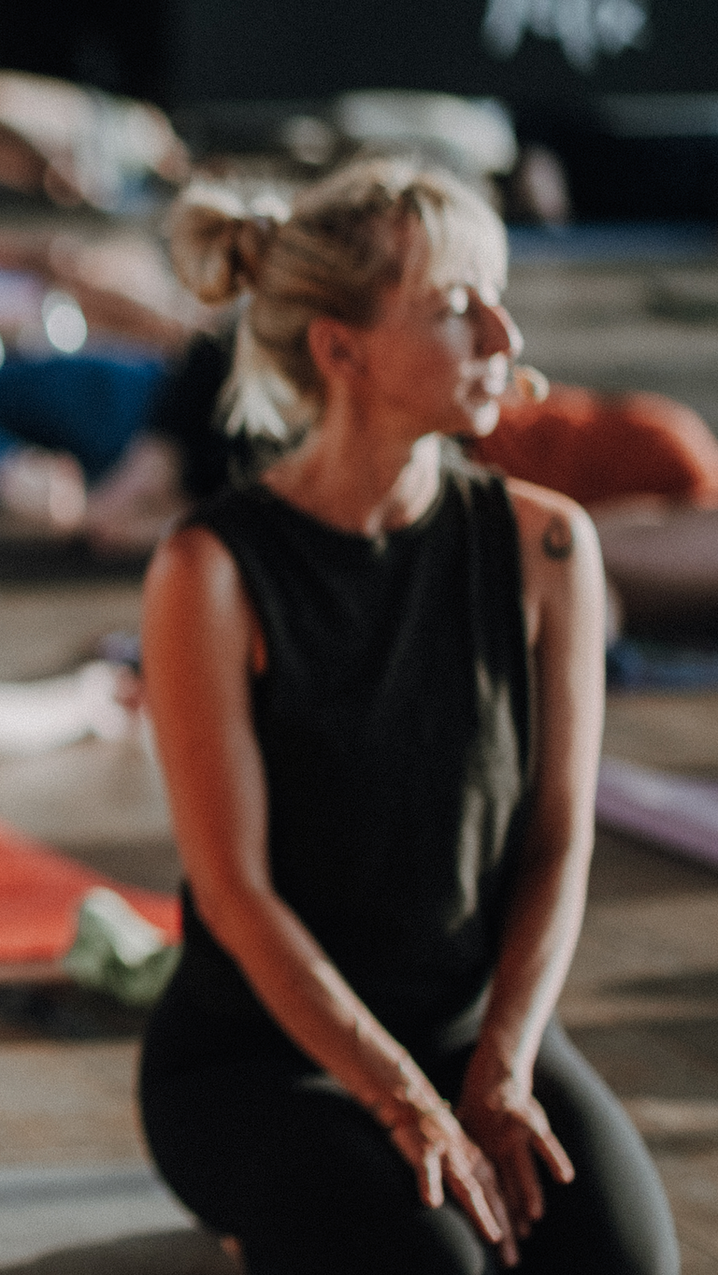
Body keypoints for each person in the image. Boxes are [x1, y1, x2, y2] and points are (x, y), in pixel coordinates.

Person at [134, 162, 676, 1272]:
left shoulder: (546, 545)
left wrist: (505, 1064)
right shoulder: (211, 569)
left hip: (476, 1032)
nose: (502, 332)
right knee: (440, 1265)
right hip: (265, 1059)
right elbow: (233, 895)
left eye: (495, 295)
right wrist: (402, 1101)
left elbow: (557, 834)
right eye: (451, 307)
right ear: (340, 351)